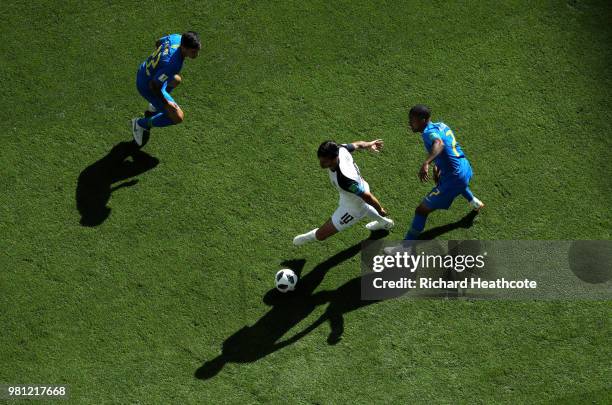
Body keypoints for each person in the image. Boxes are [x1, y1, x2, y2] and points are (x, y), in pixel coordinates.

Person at [402, 104, 483, 240]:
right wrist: (438, 165)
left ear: (422, 120)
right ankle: (474, 201)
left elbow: (439, 143)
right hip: (464, 167)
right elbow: (447, 146)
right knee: (454, 182)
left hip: (454, 177)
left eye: (412, 119)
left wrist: (426, 163)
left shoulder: (428, 132)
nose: (410, 123)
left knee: (421, 211)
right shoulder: (441, 125)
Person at [293, 140, 394, 246]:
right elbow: (358, 144)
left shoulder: (345, 180)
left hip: (353, 207)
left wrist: (380, 209)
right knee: (364, 207)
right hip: (355, 190)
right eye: (320, 160)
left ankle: (308, 237)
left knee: (321, 235)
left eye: (324, 162)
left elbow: (366, 196)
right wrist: (370, 144)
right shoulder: (340, 149)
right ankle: (385, 223)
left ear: (335, 158)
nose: (321, 164)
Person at [131, 31, 201, 146]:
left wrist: (160, 65)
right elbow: (153, 86)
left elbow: (158, 42)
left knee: (176, 80)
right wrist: (166, 103)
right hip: (146, 85)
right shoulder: (173, 64)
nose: (196, 54)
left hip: (144, 71)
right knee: (177, 117)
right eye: (193, 52)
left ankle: (154, 107)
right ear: (183, 48)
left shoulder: (177, 38)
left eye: (198, 50)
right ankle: (140, 124)